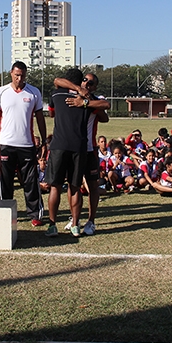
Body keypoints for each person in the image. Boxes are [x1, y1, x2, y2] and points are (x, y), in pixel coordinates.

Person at [0, 61, 47, 227]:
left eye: (22, 75)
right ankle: (6, 212)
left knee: (30, 181)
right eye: (16, 75)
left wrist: (43, 140)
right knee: (6, 181)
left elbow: (40, 118)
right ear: (11, 74)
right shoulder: (1, 92)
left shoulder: (34, 92)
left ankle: (35, 213)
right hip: (6, 143)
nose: (19, 78)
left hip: (27, 144)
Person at [54, 72, 109, 235]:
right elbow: (57, 80)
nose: (87, 84)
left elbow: (105, 109)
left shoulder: (94, 99)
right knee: (73, 185)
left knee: (93, 185)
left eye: (91, 83)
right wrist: (77, 88)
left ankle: (91, 221)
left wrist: (85, 103)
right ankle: (74, 218)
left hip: (89, 148)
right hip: (73, 148)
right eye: (84, 80)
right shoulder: (71, 93)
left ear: (95, 87)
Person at [45, 68, 89, 238]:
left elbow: (51, 113)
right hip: (79, 146)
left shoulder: (56, 95)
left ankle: (52, 225)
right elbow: (102, 108)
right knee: (75, 187)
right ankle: (76, 225)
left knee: (55, 187)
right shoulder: (87, 97)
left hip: (59, 145)